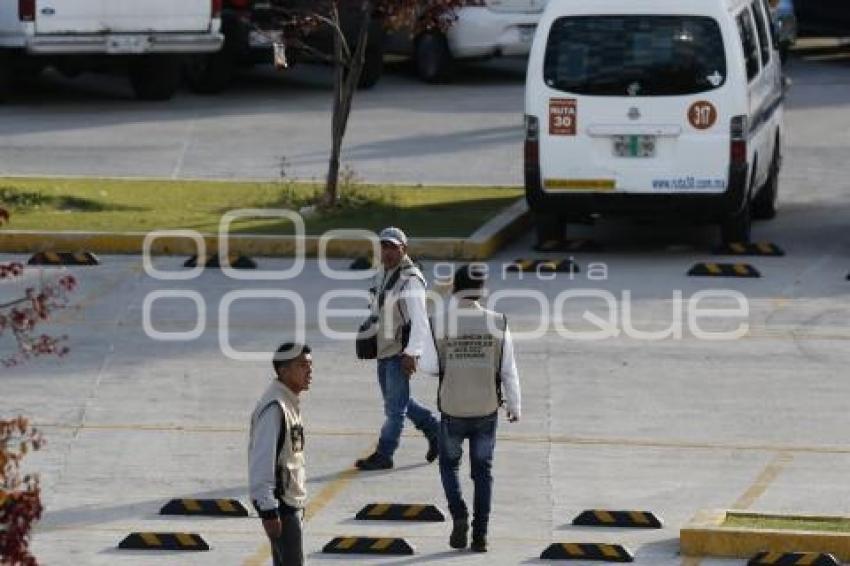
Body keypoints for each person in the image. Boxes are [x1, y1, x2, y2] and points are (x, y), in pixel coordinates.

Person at [420, 264, 521, 553]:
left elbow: (428, 366)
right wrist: (514, 404)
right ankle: (480, 535)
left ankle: (459, 514)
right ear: (482, 290)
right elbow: (508, 368)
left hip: (452, 408)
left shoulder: (438, 321)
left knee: (449, 465)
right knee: (483, 472)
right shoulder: (498, 322)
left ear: (454, 288)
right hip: (486, 408)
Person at [355, 226, 440, 471]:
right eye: (384, 246)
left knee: (395, 409)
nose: (388, 251)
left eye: (393, 247)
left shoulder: (410, 279)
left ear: (404, 249)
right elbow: (377, 305)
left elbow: (420, 320)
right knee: (398, 401)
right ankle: (435, 432)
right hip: (385, 348)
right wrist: (368, 327)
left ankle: (385, 453)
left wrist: (412, 353)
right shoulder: (383, 273)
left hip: (399, 352)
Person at [248, 343, 312, 566]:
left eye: (310, 365)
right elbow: (261, 462)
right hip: (281, 508)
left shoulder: (288, 402)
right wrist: (268, 511)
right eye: (302, 365)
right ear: (284, 371)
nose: (309, 371)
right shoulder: (275, 408)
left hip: (290, 504)